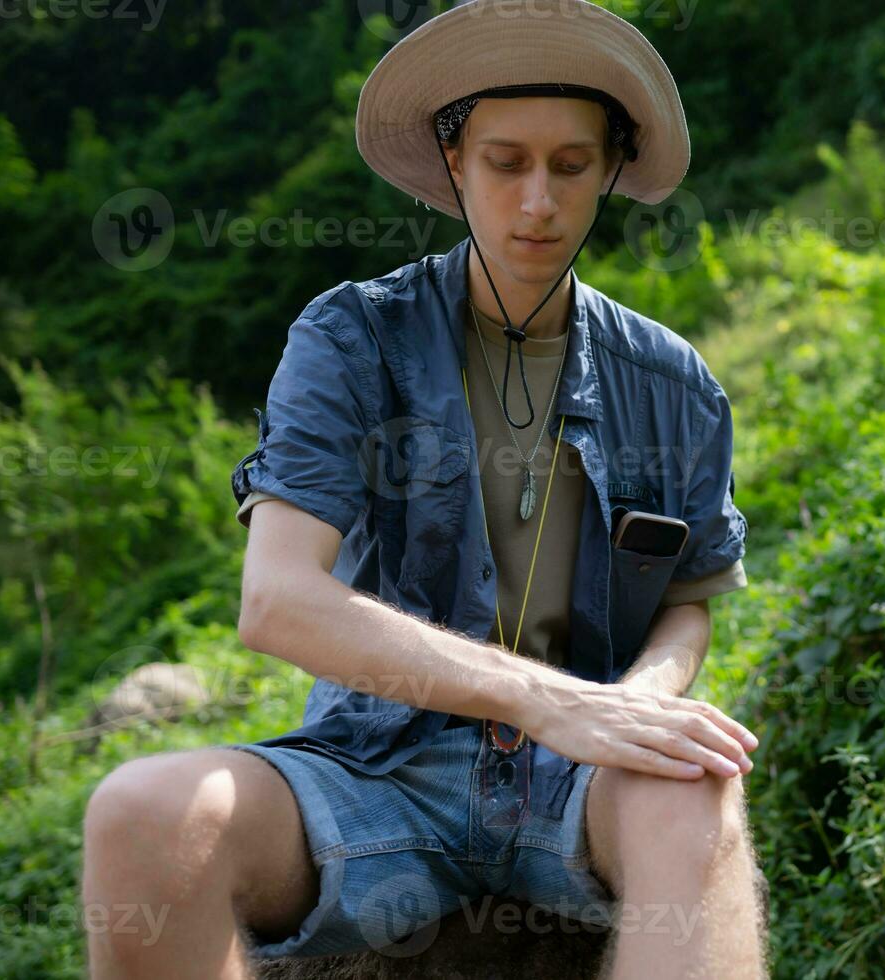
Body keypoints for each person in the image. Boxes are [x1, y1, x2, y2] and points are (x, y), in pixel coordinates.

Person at [80, 2, 768, 977]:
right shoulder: (350, 337)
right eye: (505, 161)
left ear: (612, 169)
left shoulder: (676, 384)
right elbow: (279, 598)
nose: (538, 202)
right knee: (139, 811)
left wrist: (640, 705)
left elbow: (688, 601)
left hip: (584, 777)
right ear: (454, 161)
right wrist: (543, 697)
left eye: (570, 165)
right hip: (375, 764)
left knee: (695, 789)